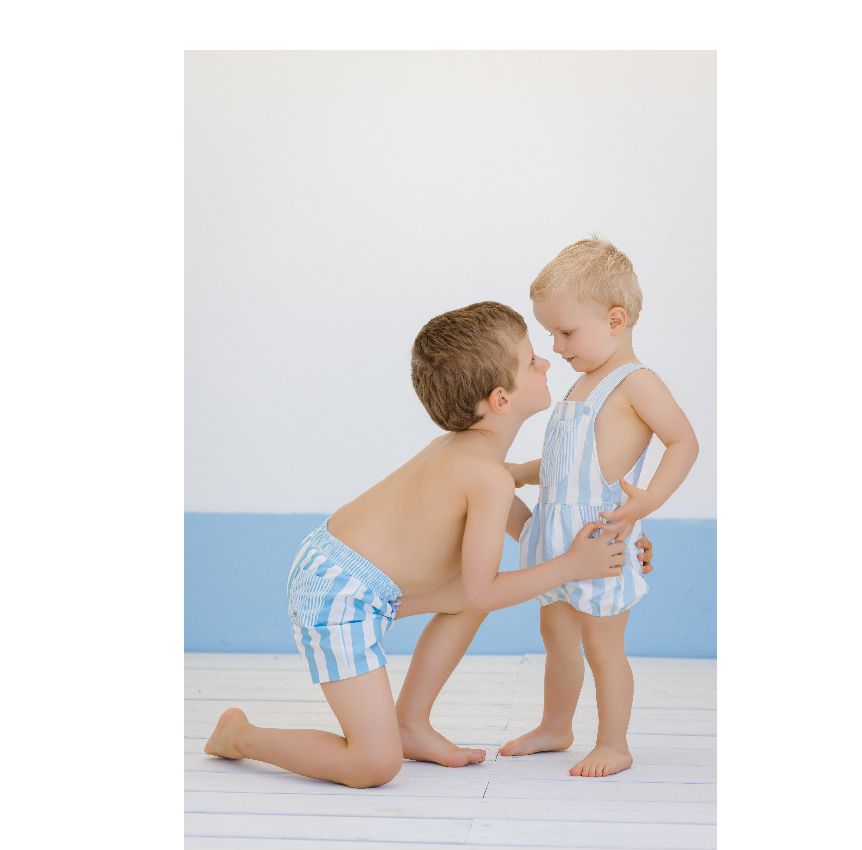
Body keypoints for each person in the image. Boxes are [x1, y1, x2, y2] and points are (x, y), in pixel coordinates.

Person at [204, 301, 652, 788]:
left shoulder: (477, 459)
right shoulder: (485, 476)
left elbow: (531, 538)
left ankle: (410, 724)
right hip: (338, 594)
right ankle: (239, 736)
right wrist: (572, 566)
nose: (545, 362)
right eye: (530, 361)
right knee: (373, 765)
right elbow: (490, 588)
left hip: (353, 577)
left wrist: (613, 548)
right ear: (501, 399)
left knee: (468, 596)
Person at [503, 238, 699, 777]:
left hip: (599, 538)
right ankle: (555, 726)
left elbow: (683, 441)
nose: (556, 346)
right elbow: (565, 465)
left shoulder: (637, 383)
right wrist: (519, 473)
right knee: (556, 638)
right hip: (555, 538)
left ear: (615, 319)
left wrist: (650, 499)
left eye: (565, 332)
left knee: (602, 644)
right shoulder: (580, 386)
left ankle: (614, 743)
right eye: (550, 333)